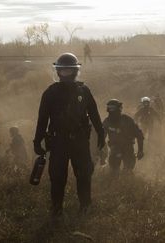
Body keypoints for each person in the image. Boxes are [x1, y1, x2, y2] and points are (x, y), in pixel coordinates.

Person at [33, 53, 105, 216]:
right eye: (62, 70)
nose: (65, 73)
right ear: (58, 72)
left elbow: (94, 113)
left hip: (80, 142)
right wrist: (37, 141)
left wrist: (101, 133)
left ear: (75, 71)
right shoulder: (50, 93)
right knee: (57, 178)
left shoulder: (84, 90)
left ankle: (85, 207)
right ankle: (57, 209)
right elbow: (42, 120)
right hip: (58, 142)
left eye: (69, 70)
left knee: (84, 176)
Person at [103, 99, 144, 177]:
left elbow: (139, 135)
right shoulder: (107, 122)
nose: (112, 111)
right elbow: (101, 138)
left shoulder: (127, 120)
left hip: (127, 148)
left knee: (127, 171)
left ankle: (127, 186)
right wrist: (100, 152)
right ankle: (116, 185)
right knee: (114, 171)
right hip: (115, 148)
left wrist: (140, 151)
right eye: (110, 108)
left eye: (113, 108)